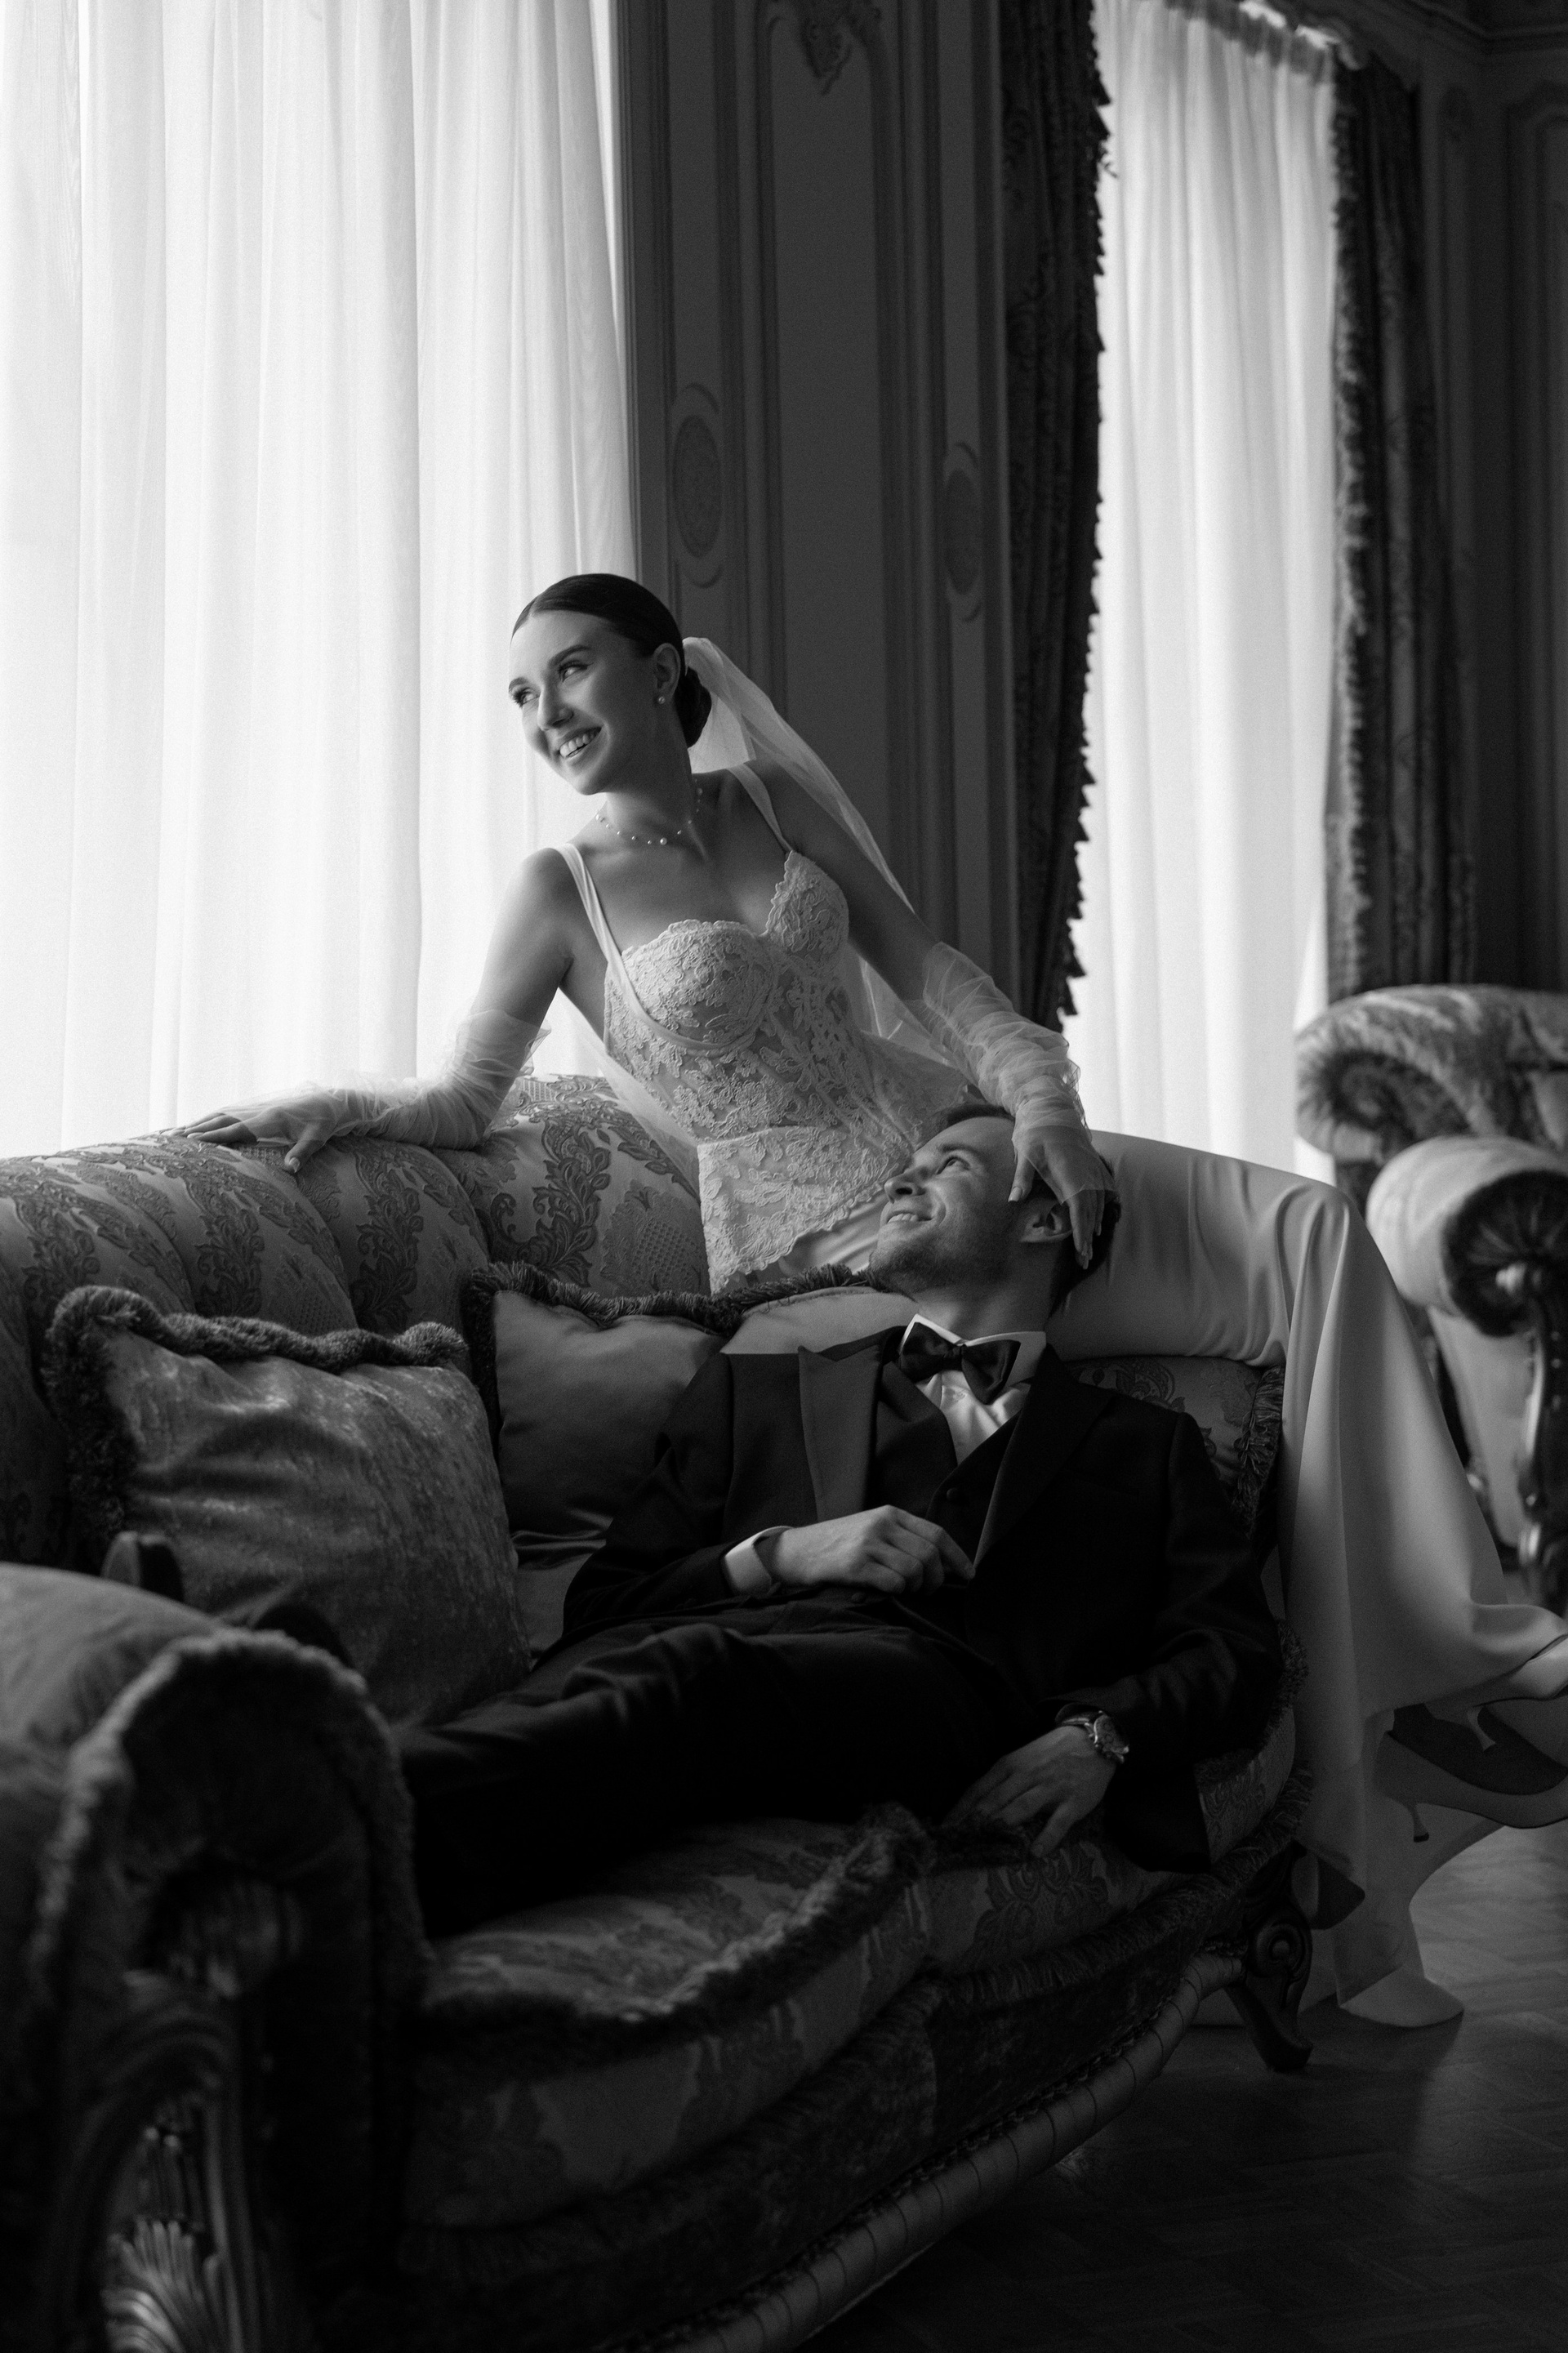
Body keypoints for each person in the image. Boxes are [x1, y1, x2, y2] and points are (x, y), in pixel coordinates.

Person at [399, 1107, 1284, 1935]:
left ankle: (368, 1843)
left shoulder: (1148, 1446)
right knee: (591, 1691)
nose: (902, 1181)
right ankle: (359, 1840)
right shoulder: (754, 1391)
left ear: (1046, 1220)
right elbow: (603, 1604)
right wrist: (779, 1554)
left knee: (701, 1673)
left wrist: (1099, 1737)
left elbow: (1234, 1648)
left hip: (933, 1695)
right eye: (908, 1165)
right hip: (663, 1656)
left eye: (951, 1165)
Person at [182, 576, 1112, 1292]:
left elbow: (928, 974)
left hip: (947, 1143)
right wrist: (332, 1106)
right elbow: (464, 1101)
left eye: (569, 670)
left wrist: (1045, 1108)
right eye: (521, 695)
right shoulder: (558, 890)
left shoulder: (771, 798)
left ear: (662, 673)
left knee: (1168, 1230)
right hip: (809, 1234)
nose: (546, 715)